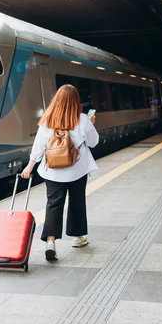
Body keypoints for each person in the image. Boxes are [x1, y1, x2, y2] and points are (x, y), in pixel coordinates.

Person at [21, 84, 99, 261]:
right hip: (77, 171)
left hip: (53, 172)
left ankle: (50, 241)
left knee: (53, 204)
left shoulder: (47, 120)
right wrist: (91, 124)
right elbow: (94, 142)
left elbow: (39, 146)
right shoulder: (82, 120)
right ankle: (78, 237)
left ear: (57, 100)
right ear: (75, 101)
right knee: (77, 201)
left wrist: (30, 165)